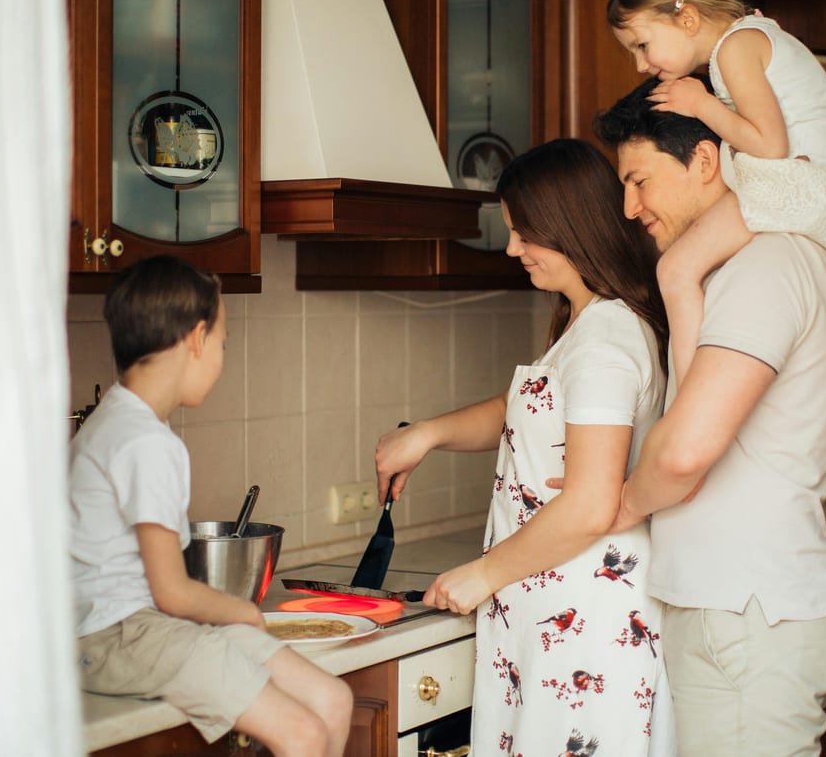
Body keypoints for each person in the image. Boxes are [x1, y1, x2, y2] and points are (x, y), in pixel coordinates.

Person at [373, 139, 675, 755]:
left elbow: (591, 503)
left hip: (585, 621)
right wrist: (428, 433)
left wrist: (483, 573)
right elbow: (531, 410)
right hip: (558, 605)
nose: (513, 249)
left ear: (571, 226)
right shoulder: (586, 324)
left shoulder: (604, 341)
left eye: (523, 232)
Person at [593, 81, 826, 756]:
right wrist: (679, 277)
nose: (630, 207)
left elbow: (685, 453)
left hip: (746, 615)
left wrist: (619, 504)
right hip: (739, 609)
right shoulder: (726, 270)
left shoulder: (768, 264)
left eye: (640, 180)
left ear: (705, 160)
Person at [70, 255, 352, 757]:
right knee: (304, 732)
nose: (221, 357)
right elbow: (173, 593)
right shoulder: (144, 442)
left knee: (333, 700)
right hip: (115, 636)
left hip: (146, 629)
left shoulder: (119, 421)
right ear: (196, 339)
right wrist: (243, 611)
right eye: (223, 343)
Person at [608, 0, 826, 379]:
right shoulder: (752, 35)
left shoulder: (736, 49)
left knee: (676, 268)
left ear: (687, 19)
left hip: (795, 186)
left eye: (643, 45)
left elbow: (769, 146)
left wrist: (700, 104)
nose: (639, 64)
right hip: (814, 187)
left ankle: (686, 399)